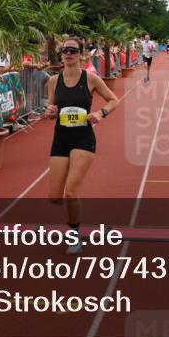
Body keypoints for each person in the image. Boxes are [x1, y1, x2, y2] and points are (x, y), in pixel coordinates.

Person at [44, 37, 120, 254]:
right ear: (61, 54)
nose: (68, 53)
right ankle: (72, 218)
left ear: (81, 54)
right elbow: (51, 111)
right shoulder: (53, 81)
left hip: (83, 139)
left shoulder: (91, 79)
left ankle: (74, 234)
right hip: (60, 138)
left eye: (73, 50)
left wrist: (100, 113)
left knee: (71, 192)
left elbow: (114, 100)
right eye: (65, 50)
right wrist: (50, 113)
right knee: (55, 197)